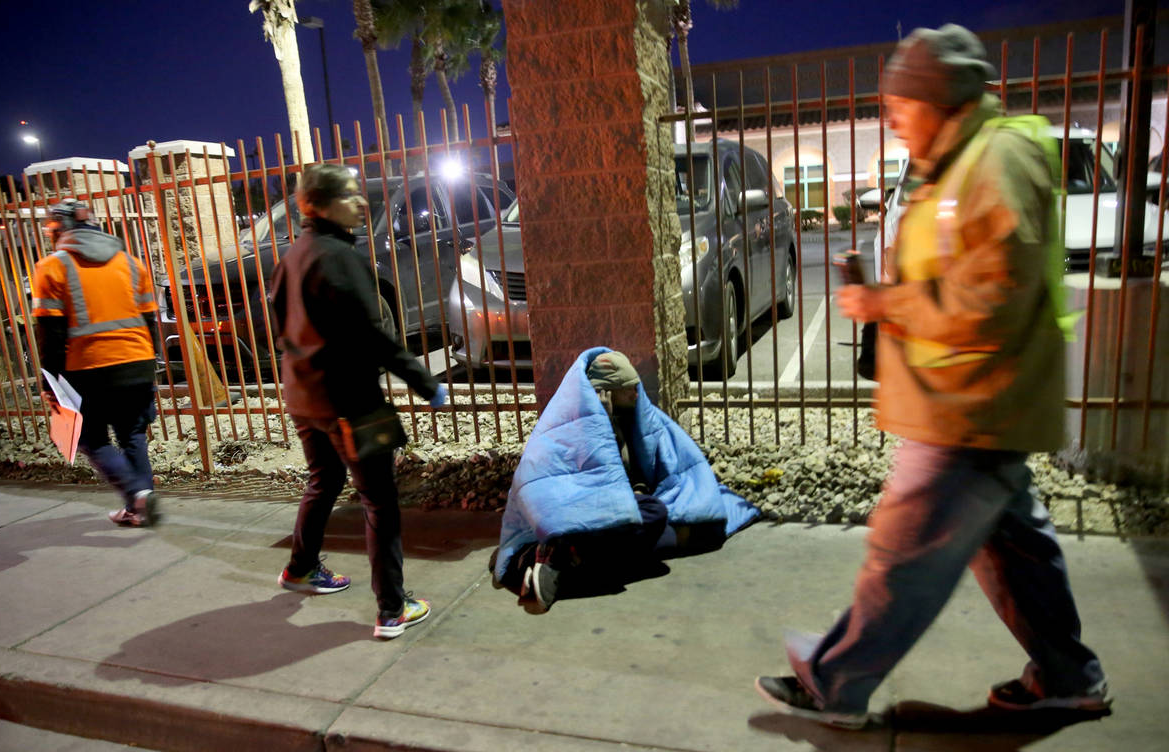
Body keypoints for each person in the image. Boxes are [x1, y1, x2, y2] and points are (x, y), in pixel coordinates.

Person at [754, 24, 1110, 729]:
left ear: (938, 97)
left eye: (900, 103)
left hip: (972, 403)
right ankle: (1070, 677)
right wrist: (886, 294)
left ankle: (834, 682)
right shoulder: (955, 160)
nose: (892, 118)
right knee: (1016, 551)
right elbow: (963, 272)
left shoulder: (994, 158)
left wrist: (885, 302)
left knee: (904, 550)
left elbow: (992, 297)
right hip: (979, 401)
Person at [268, 163, 447, 640]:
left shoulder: (294, 255)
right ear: (321, 205)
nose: (361, 202)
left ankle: (301, 569)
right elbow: (375, 337)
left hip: (307, 398)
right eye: (349, 195)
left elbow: (280, 325)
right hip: (350, 403)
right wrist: (425, 382)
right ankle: (392, 608)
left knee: (323, 481)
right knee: (380, 503)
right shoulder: (340, 258)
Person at [492, 348, 759, 612]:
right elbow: (567, 486)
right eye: (627, 388)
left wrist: (638, 492)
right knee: (653, 523)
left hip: (607, 516)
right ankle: (551, 555)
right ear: (605, 391)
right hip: (575, 514)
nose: (635, 393)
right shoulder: (576, 424)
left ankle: (560, 559)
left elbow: (647, 470)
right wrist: (605, 426)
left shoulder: (631, 419)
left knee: (670, 524)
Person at [32, 200, 161, 527]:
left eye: (51, 229)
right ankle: (139, 507)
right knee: (132, 434)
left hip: (89, 367)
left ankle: (137, 495)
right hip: (138, 361)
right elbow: (150, 319)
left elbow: (51, 332)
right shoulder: (131, 263)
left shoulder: (52, 267)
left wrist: (51, 381)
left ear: (60, 229)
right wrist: (152, 360)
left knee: (91, 439)